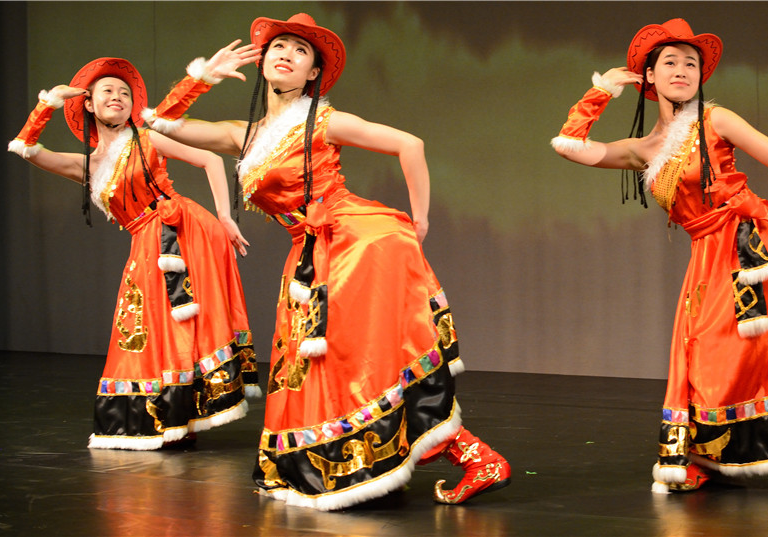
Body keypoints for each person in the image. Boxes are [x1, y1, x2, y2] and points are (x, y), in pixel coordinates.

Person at [142, 14, 510, 510]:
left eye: (300, 51)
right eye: (279, 46)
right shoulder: (242, 135)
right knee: (319, 367)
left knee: (358, 359)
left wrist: (419, 221)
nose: (286, 55)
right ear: (263, 63)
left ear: (313, 73)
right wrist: (201, 77)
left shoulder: (323, 120)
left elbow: (410, 145)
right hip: (309, 253)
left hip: (352, 241)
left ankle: (466, 454)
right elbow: (161, 123)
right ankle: (433, 457)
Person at [551, 19, 768, 493]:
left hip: (755, 245)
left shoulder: (714, 119)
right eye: (670, 63)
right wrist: (602, 90)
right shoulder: (644, 150)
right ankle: (711, 455)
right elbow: (570, 147)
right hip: (708, 253)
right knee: (702, 353)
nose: (682, 70)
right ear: (649, 76)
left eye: (691, 63)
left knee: (756, 356)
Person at [8, 57, 259, 450]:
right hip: (146, 240)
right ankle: (171, 417)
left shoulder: (146, 139)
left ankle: (181, 418)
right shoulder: (87, 165)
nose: (118, 96)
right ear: (88, 103)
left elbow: (210, 159)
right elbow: (26, 149)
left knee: (181, 324)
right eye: (107, 91)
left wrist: (225, 217)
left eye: (124, 92)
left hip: (184, 230)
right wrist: (48, 104)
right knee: (147, 326)